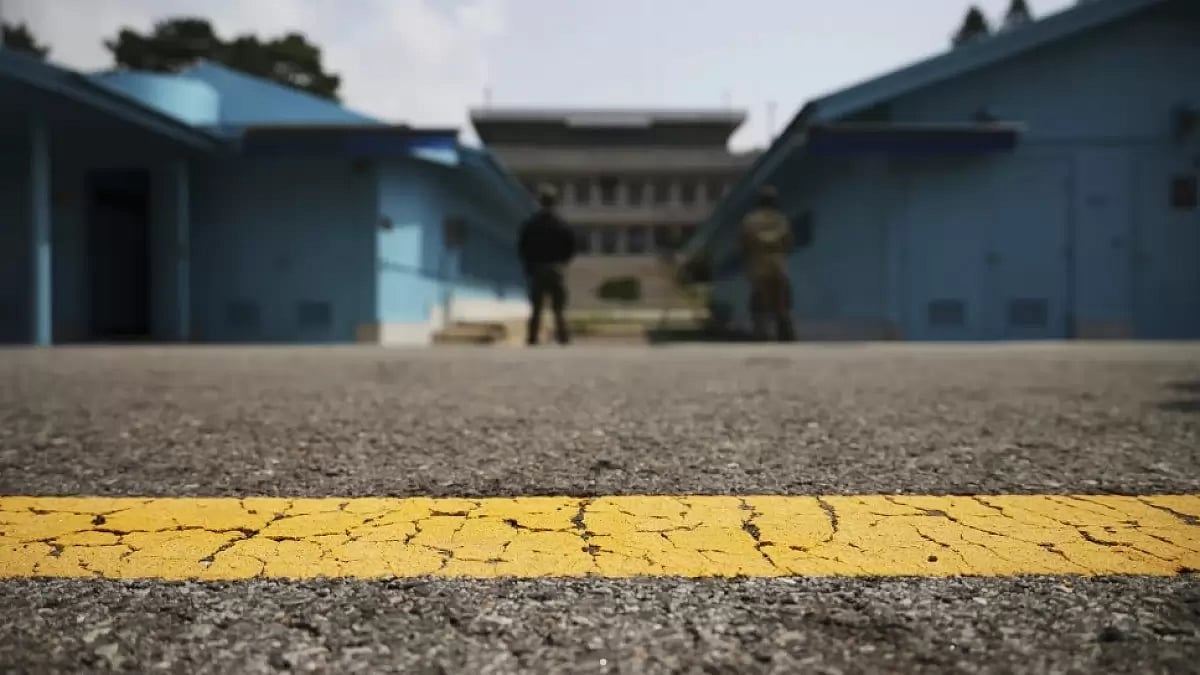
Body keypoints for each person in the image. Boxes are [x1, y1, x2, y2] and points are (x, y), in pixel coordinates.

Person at [518, 184, 577, 345]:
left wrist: (529, 266)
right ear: (554, 202)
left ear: (541, 202)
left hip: (538, 268)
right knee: (558, 307)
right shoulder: (561, 224)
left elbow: (523, 247)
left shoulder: (531, 224)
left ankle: (532, 337)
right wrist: (563, 262)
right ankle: (563, 337)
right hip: (556, 268)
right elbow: (571, 246)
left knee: (536, 307)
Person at [739, 185, 796, 342]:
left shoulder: (750, 220)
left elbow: (744, 243)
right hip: (778, 265)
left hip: (758, 266)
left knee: (759, 304)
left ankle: (760, 336)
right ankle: (786, 337)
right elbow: (789, 242)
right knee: (782, 304)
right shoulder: (781, 219)